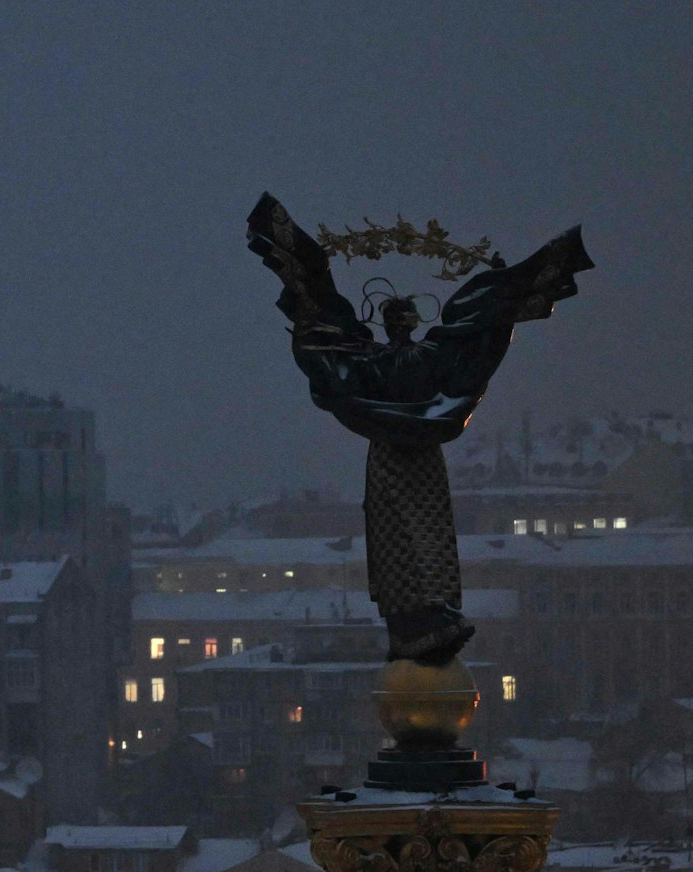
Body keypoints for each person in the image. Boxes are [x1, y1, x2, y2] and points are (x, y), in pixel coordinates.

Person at [245, 192, 592, 663]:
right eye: (403, 317)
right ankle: (426, 618)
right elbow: (477, 341)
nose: (403, 323)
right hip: (420, 455)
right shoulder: (428, 358)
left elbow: (326, 345)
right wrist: (497, 292)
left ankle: (420, 620)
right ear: (405, 321)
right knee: (419, 531)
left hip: (392, 457)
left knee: (402, 534)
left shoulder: (371, 362)